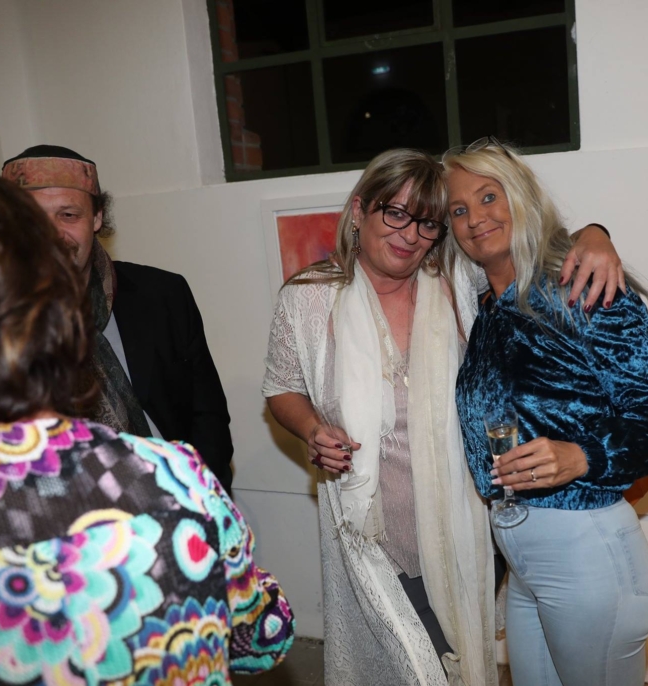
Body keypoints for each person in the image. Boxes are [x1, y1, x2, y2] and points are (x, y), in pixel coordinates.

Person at [0, 166, 294, 682]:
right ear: (56, 324)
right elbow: (264, 638)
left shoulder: (159, 294)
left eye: (67, 214)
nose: (55, 233)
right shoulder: (173, 481)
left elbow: (206, 404)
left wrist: (211, 495)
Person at [262, 148, 625, 686]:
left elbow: (524, 246)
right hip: (368, 528)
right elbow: (281, 387)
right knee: (411, 664)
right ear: (359, 210)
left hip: (463, 527)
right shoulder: (307, 298)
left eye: (428, 222)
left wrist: (595, 234)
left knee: (452, 658)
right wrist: (312, 428)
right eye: (396, 213)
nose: (410, 235)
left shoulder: (457, 280)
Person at [445, 138, 648, 686]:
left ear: (521, 197)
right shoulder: (484, 309)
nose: (474, 218)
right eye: (458, 209)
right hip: (525, 565)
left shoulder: (580, 290)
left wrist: (583, 456)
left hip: (588, 558)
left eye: (488, 196)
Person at [1, 145, 234, 492]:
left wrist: (202, 497)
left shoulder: (163, 294)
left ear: (96, 218)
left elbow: (208, 417)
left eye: (69, 215)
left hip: (181, 497)